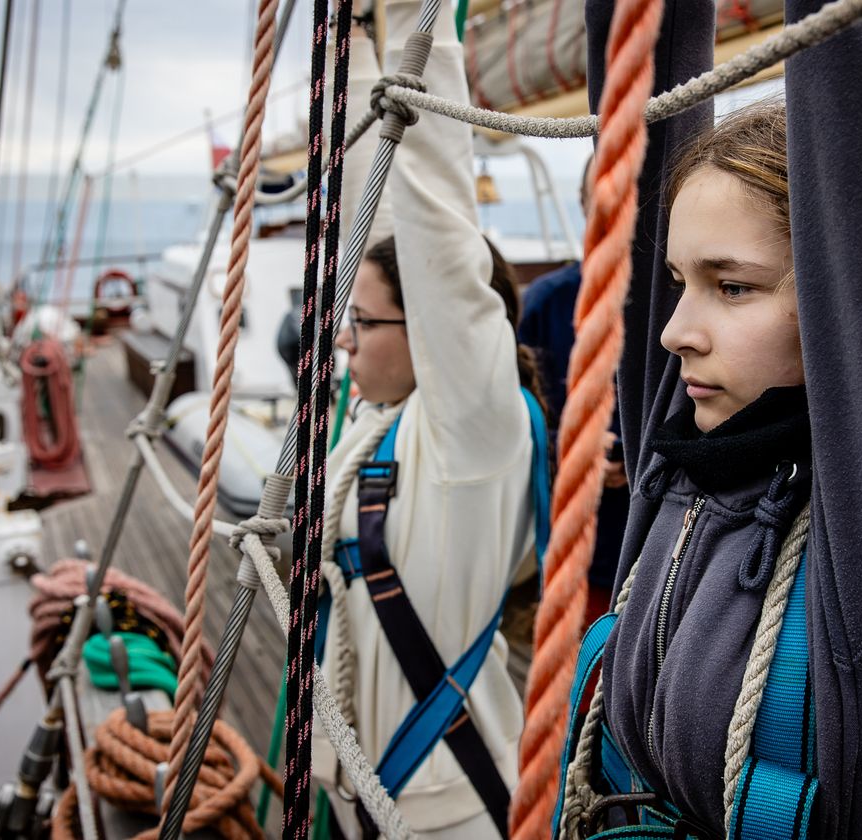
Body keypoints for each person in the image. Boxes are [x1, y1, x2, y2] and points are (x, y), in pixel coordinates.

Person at [563, 0, 862, 838]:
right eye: (681, 281)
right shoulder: (694, 449)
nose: (676, 333)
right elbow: (638, 115)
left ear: (845, 297)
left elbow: (861, 90)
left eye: (733, 285)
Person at [309, 1, 545, 837]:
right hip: (360, 798)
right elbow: (383, 194)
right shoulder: (377, 425)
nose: (342, 337)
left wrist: (414, 18)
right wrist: (360, 49)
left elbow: (435, 230)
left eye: (363, 323)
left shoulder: (471, 433)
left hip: (446, 816)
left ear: (432, 337)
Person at [518, 155, 629, 625]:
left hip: (662, 546)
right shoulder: (546, 304)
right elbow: (519, 419)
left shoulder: (681, 299)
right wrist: (575, 451)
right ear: (584, 205)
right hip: (580, 548)